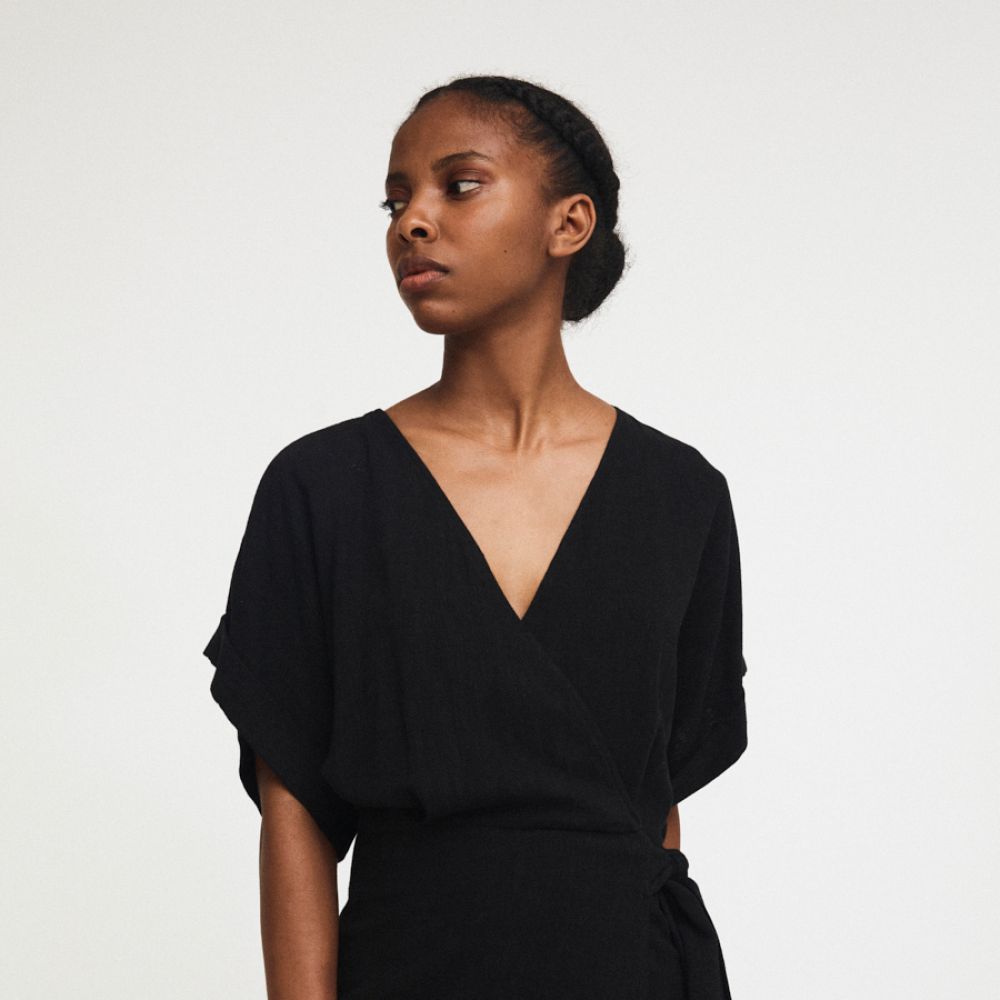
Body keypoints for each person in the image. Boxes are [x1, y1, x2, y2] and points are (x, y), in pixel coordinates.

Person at [202, 73, 750, 1000]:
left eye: (459, 186)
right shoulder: (323, 488)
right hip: (409, 968)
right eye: (397, 200)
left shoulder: (680, 496)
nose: (412, 222)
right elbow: (293, 808)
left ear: (568, 224)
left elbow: (653, 812)